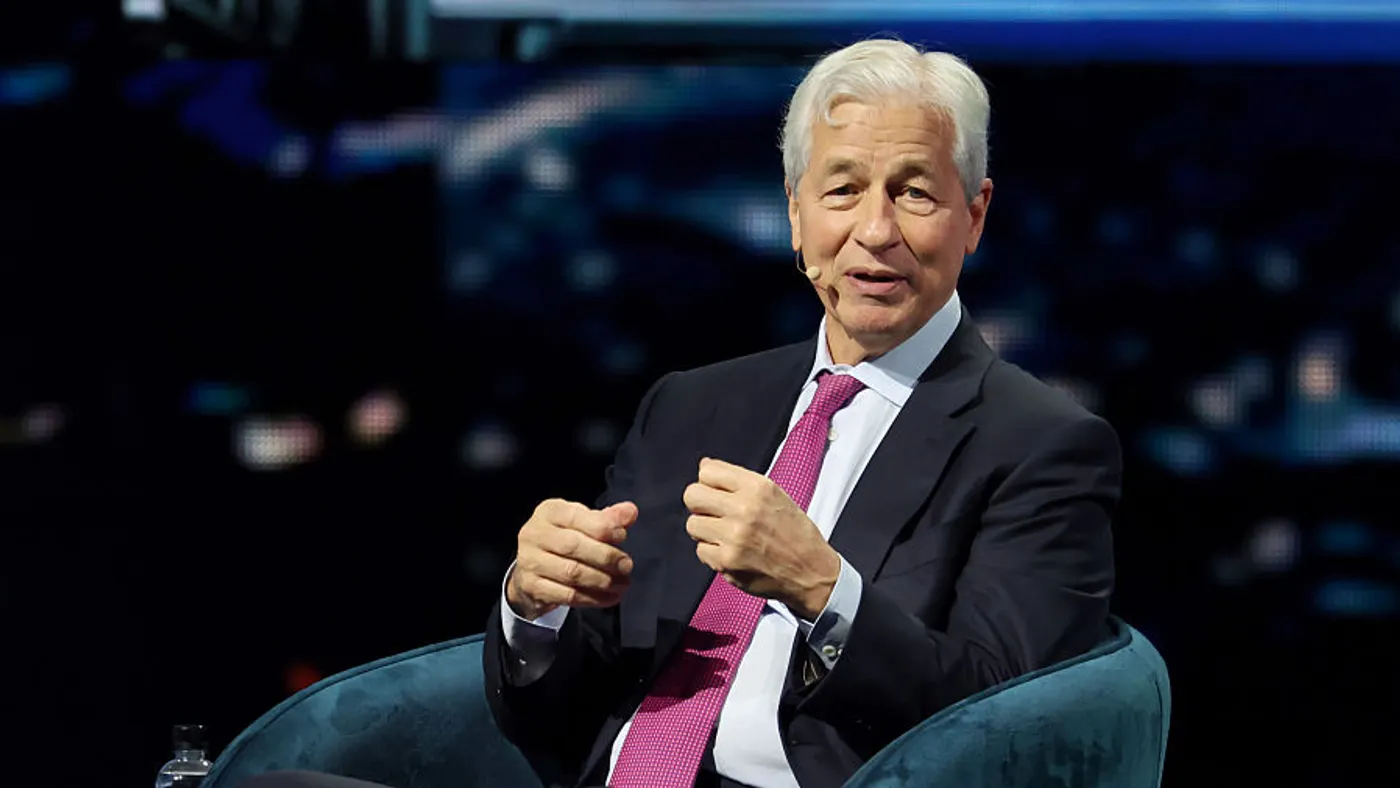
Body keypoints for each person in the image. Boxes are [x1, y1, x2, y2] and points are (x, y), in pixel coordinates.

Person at [242, 37, 1120, 788]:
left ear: (974, 216)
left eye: (915, 194)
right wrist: (535, 608)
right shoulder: (693, 404)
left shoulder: (1043, 445)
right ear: (795, 216)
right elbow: (567, 706)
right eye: (843, 190)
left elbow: (1011, 735)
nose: (876, 231)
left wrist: (823, 589)